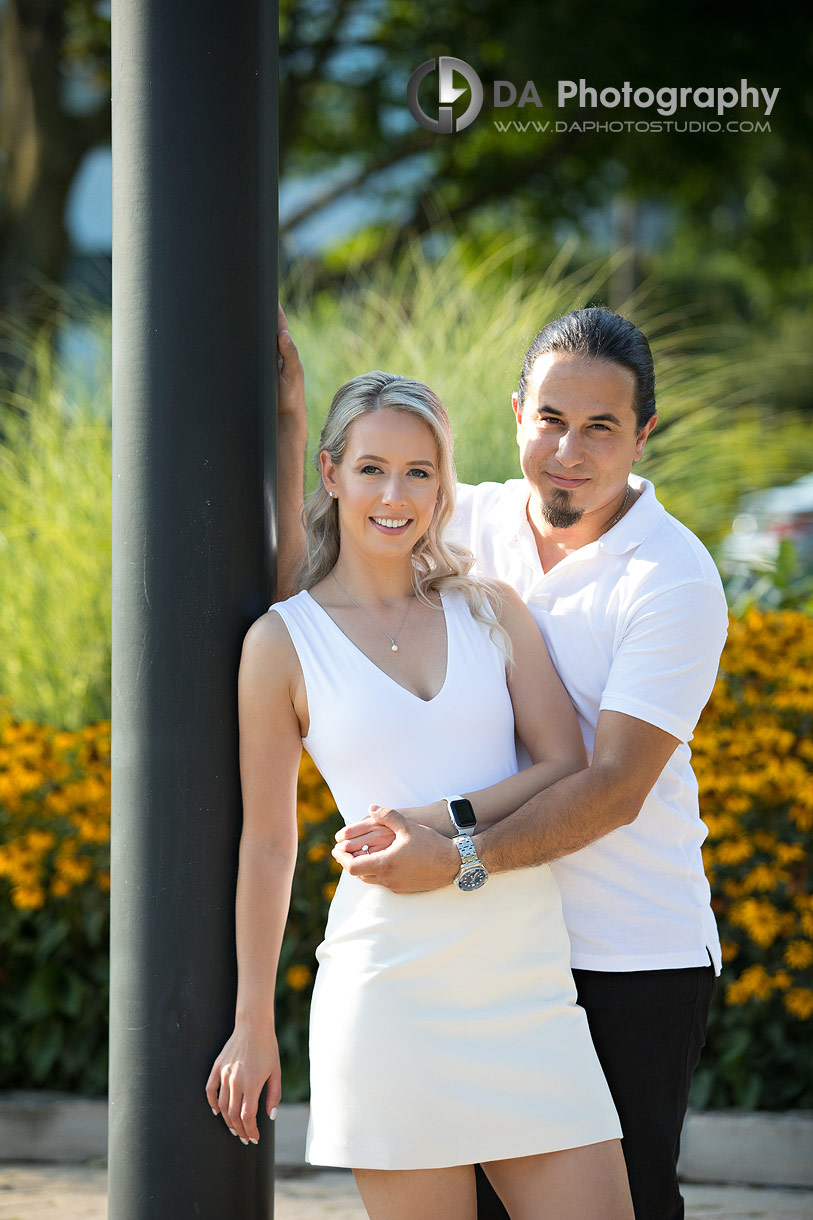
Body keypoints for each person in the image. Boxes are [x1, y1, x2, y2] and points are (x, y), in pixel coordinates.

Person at [276, 306, 729, 1220]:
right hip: (483, 947)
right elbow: (315, 595)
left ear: (642, 434)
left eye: (601, 426)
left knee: (627, 1205)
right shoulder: (464, 519)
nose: (570, 448)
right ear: (518, 409)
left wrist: (455, 854)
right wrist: (293, 419)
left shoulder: (671, 580)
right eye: (551, 418)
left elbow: (610, 787)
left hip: (626, 950)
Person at [205, 368, 634, 1220]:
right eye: (370, 469)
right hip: (388, 995)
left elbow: (565, 767)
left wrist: (439, 823)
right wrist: (253, 1020)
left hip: (525, 992)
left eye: (419, 471)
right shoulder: (281, 643)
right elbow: (267, 842)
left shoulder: (490, 611)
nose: (394, 495)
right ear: (330, 474)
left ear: (444, 482)